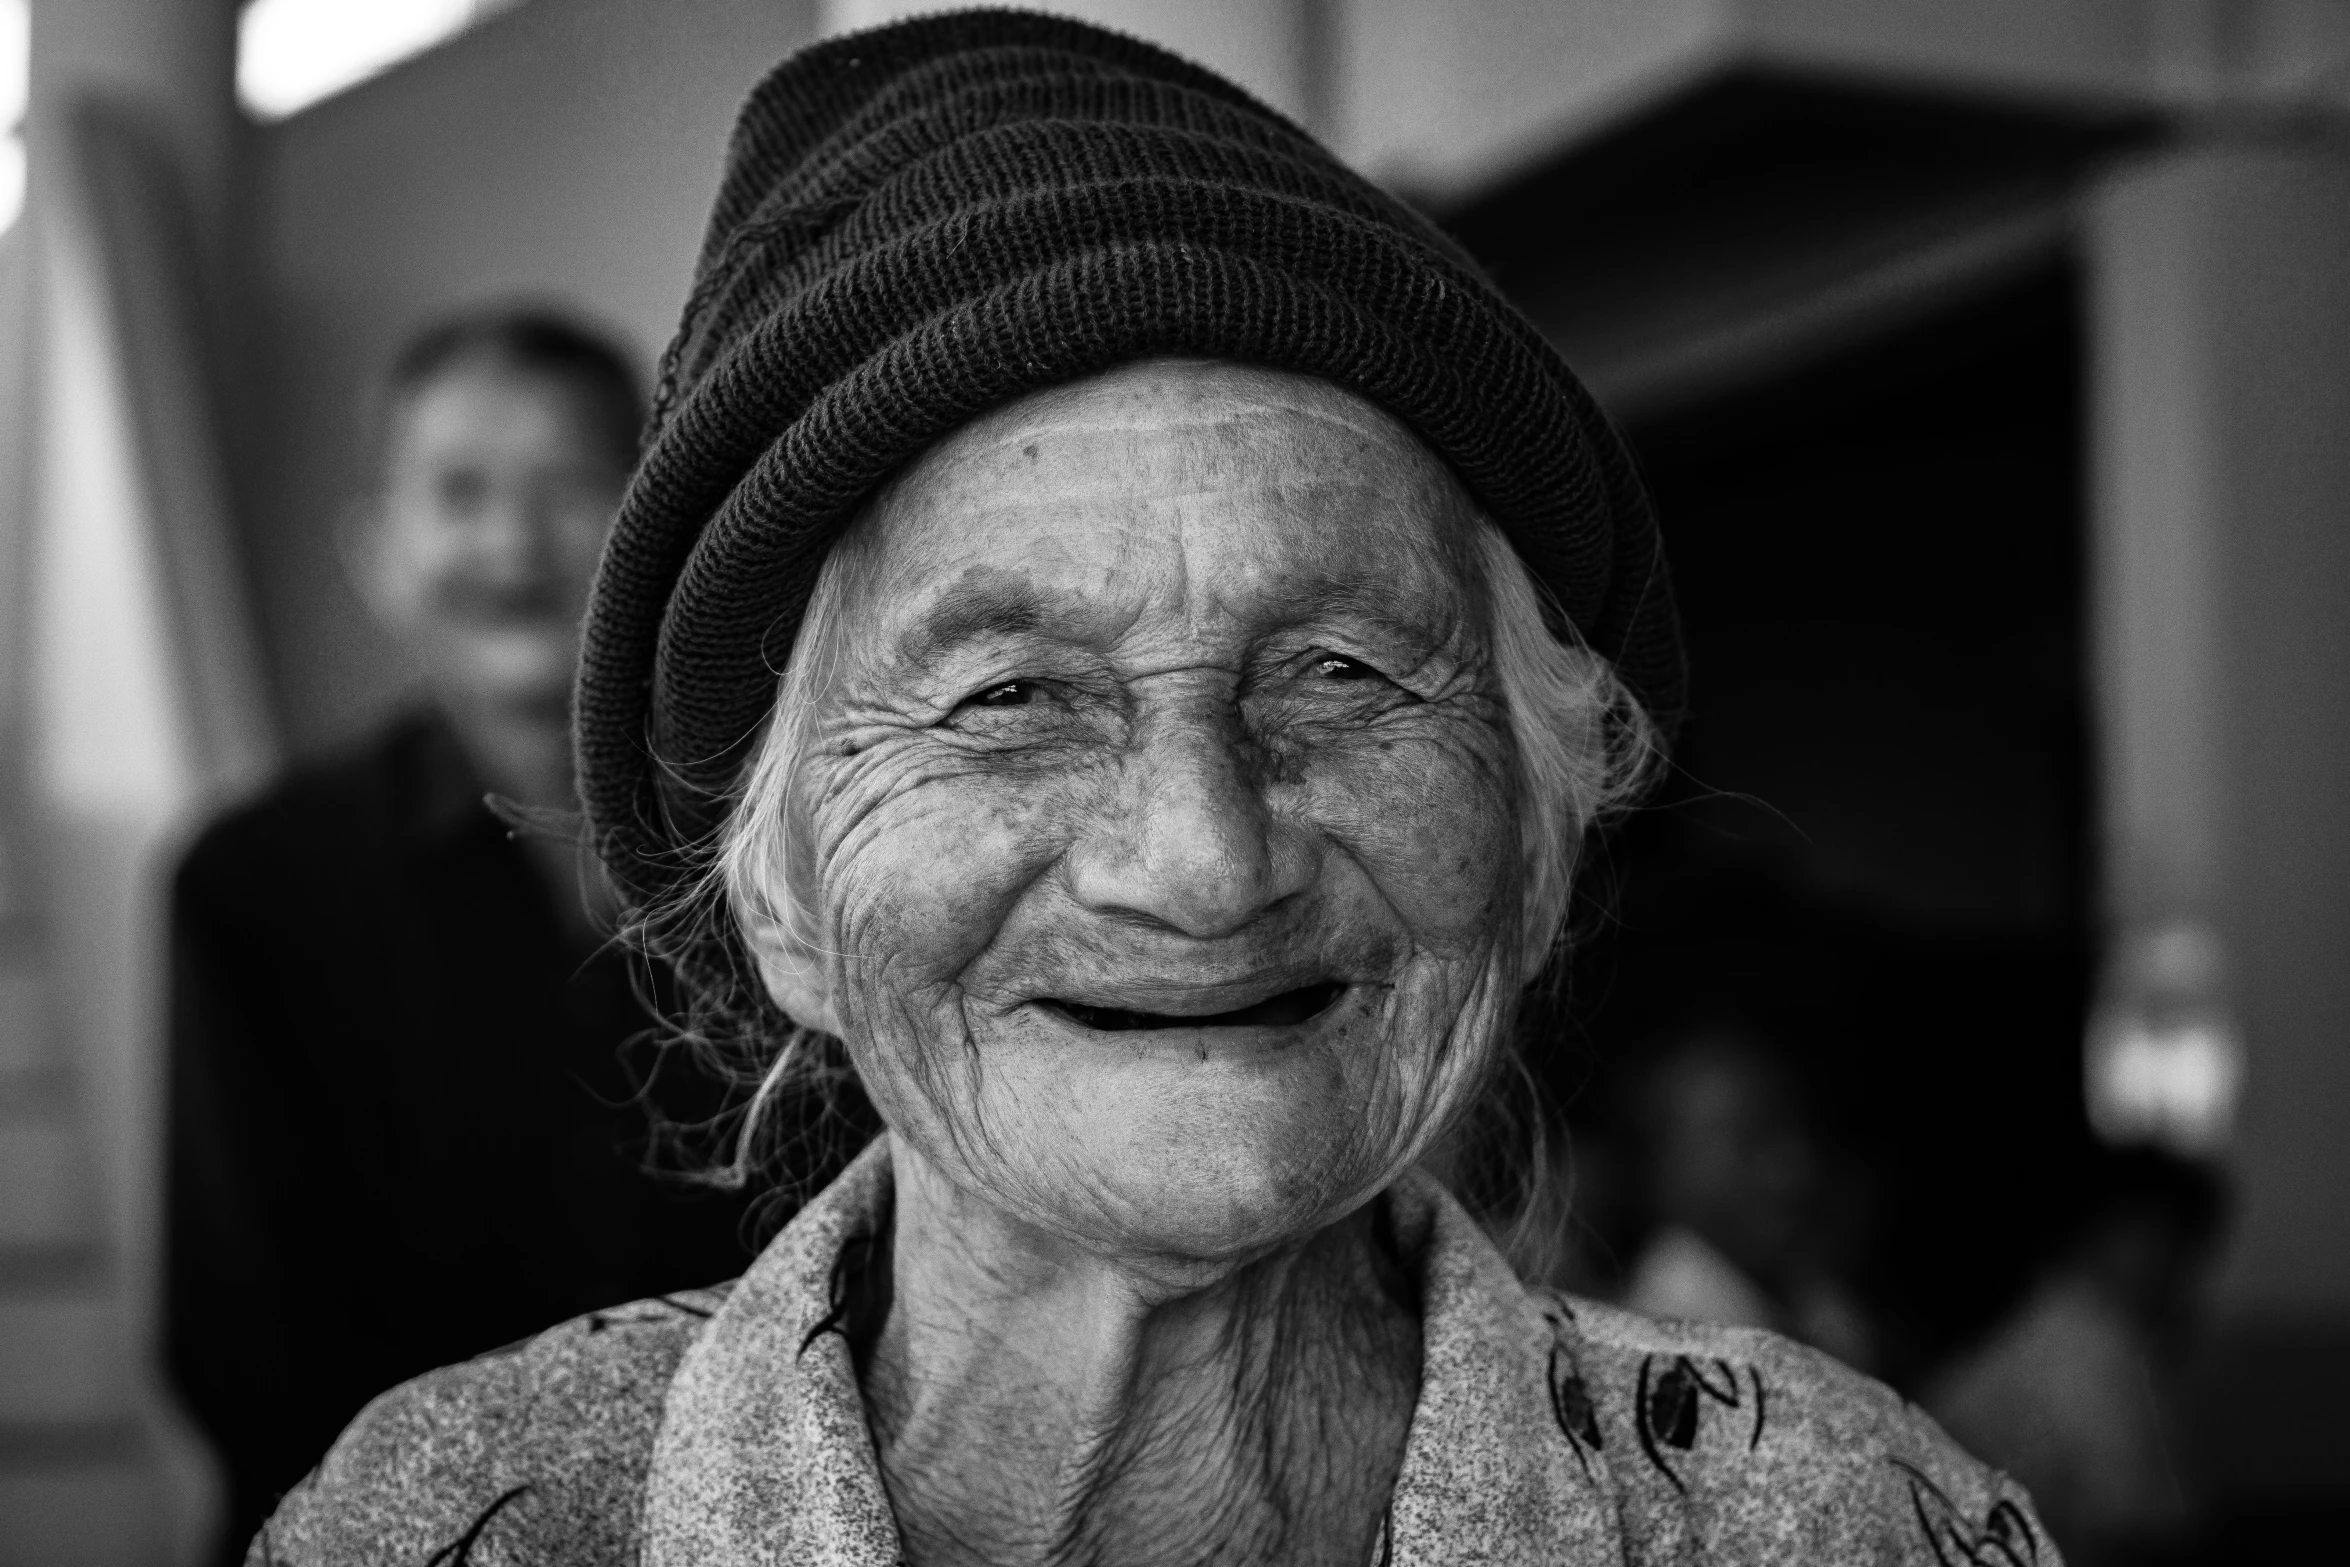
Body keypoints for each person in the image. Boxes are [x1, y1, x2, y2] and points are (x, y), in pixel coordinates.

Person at [252, 16, 2059, 1565]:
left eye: (1342, 674)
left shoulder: (1857, 1518)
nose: (1204, 860)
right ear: (783, 899)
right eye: (1012, 695)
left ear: (1535, 828)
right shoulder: (439, 1524)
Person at [165, 308, 756, 1563]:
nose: (509, 542)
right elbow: (242, 1338)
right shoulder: (258, 879)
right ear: (375, 551)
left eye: (565, 486)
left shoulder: (778, 850)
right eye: (459, 490)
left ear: (659, 527)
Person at [1924, 1148, 2226, 1565]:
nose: (2170, 1265)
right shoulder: (2085, 1347)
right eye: (2154, 1235)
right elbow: (2138, 1534)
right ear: (2098, 1231)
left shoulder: (2060, 1325)